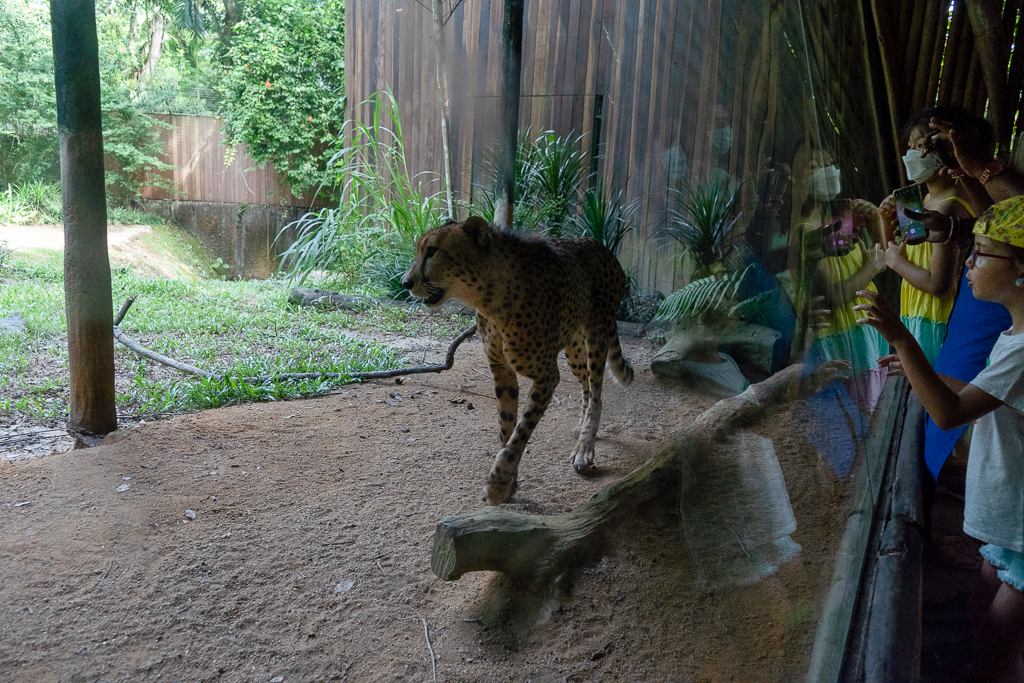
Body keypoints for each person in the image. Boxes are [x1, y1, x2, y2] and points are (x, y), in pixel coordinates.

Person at [855, 197, 1024, 682]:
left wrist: (902, 340)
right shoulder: (1013, 334)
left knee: (997, 645)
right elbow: (983, 394)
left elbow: (950, 414)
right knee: (978, 610)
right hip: (1011, 526)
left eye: (981, 253)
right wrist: (917, 371)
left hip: (1022, 527)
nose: (968, 262)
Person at [878, 107, 977, 364]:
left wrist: (895, 262)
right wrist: (885, 218)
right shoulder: (926, 200)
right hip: (920, 312)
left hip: (936, 318)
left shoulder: (950, 206)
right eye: (909, 146)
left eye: (922, 145)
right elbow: (900, 247)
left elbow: (939, 285)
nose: (913, 154)